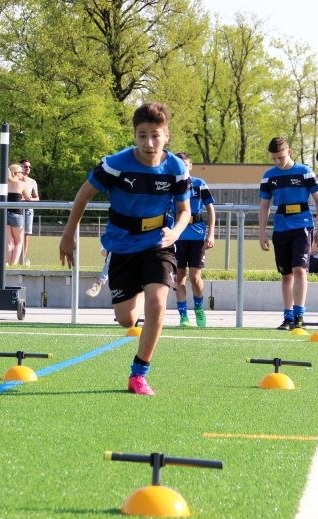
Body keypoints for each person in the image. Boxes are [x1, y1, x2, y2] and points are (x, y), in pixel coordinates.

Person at [59, 102, 191, 396]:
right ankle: (141, 288)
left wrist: (175, 232)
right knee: (127, 320)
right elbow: (84, 194)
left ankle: (139, 374)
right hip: (121, 245)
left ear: (166, 135)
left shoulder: (176, 168)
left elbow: (185, 211)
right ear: (134, 135)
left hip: (158, 243)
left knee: (157, 305)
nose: (149, 143)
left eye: (155, 135)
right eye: (142, 135)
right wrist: (68, 235)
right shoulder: (116, 164)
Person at [258, 137, 318, 330]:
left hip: (302, 226)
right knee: (286, 274)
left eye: (280, 157)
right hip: (280, 228)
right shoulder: (269, 176)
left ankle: (299, 316)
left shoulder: (304, 172)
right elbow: (264, 206)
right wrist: (262, 233)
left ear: (289, 152)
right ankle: (288, 318)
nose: (277, 162)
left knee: (299, 270)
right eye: (273, 158)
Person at [170, 152, 215, 327]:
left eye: (185, 164)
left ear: (190, 166)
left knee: (195, 277)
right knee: (178, 277)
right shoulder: (171, 185)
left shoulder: (199, 184)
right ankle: (183, 316)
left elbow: (210, 208)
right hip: (177, 236)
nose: (182, 167)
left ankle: (199, 308)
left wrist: (211, 233)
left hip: (197, 235)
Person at [4, 164, 33, 265]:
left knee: (8, 241)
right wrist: (24, 182)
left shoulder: (5, 183)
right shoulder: (22, 184)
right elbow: (28, 198)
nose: (23, 174)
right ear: (16, 173)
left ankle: (9, 263)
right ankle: (13, 263)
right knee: (19, 242)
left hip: (5, 214)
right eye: (21, 172)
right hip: (16, 214)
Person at [19, 159, 39, 262]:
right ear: (21, 167)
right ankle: (11, 259)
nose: (28, 168)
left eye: (29, 167)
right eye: (26, 166)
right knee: (15, 236)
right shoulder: (14, 180)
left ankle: (22, 260)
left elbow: (37, 198)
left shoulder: (32, 182)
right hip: (16, 211)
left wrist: (29, 199)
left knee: (26, 236)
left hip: (28, 211)